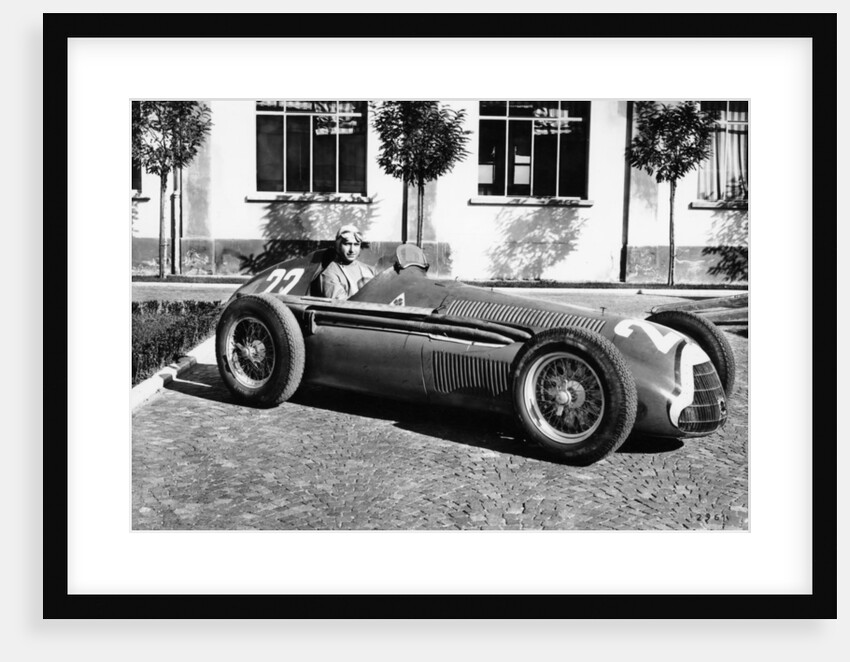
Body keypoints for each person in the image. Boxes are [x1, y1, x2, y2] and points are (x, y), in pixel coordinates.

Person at [319, 224, 375, 300]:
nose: (352, 250)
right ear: (338, 245)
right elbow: (341, 305)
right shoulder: (329, 274)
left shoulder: (370, 270)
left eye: (356, 244)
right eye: (347, 244)